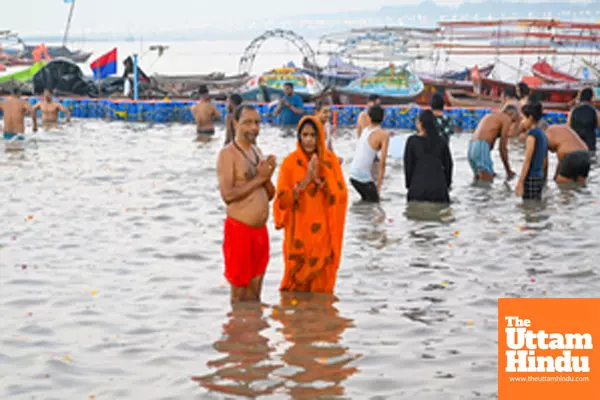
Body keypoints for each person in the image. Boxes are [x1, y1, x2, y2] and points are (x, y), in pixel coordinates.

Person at [273, 116, 347, 294]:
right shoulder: (289, 164)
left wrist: (320, 181)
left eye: (313, 135)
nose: (309, 140)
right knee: (293, 291)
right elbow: (282, 202)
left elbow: (341, 196)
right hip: (298, 238)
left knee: (321, 298)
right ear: (298, 137)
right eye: (304, 135)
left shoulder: (330, 162)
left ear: (319, 137)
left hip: (323, 238)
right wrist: (305, 182)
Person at [216, 104, 277, 303]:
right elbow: (227, 195)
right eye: (248, 122)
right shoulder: (228, 154)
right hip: (239, 232)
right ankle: (236, 332)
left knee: (255, 295)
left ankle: (254, 332)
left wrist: (268, 175)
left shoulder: (257, 151)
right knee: (239, 296)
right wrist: (259, 179)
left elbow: (270, 194)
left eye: (257, 123)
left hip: (260, 233)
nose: (254, 128)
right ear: (235, 124)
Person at [404, 110, 453, 203]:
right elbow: (449, 165)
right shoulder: (441, 140)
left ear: (421, 124)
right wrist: (447, 184)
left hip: (418, 189)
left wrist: (409, 185)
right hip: (439, 190)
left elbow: (408, 165)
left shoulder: (412, 141)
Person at [349, 105, 390, 202]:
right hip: (363, 179)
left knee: (365, 203)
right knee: (376, 205)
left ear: (369, 118)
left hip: (352, 176)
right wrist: (379, 187)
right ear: (383, 118)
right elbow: (382, 163)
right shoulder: (384, 135)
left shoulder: (365, 130)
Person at [468, 106, 519, 181]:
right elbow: (502, 148)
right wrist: (508, 171)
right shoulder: (506, 118)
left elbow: (490, 146)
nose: (511, 125)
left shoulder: (490, 116)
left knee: (479, 182)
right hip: (481, 146)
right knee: (487, 185)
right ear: (510, 113)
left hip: (471, 147)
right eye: (513, 121)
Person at [515, 103, 548, 200]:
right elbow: (545, 159)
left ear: (530, 117)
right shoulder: (543, 134)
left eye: (523, 118)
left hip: (531, 177)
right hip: (539, 177)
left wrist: (520, 182)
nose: (522, 122)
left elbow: (528, 160)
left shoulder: (532, 134)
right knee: (536, 205)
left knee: (528, 209)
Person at [568, 87, 599, 153]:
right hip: (590, 148)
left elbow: (568, 128)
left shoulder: (572, 111)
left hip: (575, 147)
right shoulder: (595, 112)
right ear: (591, 98)